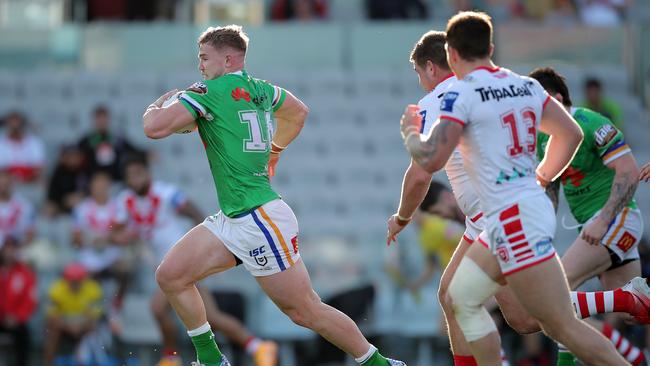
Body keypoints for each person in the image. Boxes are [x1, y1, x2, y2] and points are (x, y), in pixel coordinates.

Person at [142, 25, 406, 366]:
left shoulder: (210, 89)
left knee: (304, 310)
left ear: (228, 58)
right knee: (171, 275)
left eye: (204, 58)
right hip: (235, 217)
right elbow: (299, 111)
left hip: (258, 218)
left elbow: (154, 128)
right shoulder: (262, 90)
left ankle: (379, 364)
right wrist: (276, 149)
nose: (200, 66)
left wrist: (155, 105)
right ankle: (211, 360)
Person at [398, 11, 627, 365]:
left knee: (557, 324)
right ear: (490, 47)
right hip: (512, 212)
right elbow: (571, 134)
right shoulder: (525, 85)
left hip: (511, 216)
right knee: (461, 298)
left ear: (453, 55)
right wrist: (540, 178)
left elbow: (429, 161)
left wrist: (411, 133)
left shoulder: (461, 93)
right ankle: (625, 301)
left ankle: (626, 311)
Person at [114, 157, 279, 366]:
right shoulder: (126, 201)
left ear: (148, 173)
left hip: (183, 264)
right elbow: (115, 232)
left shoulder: (165, 193)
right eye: (130, 176)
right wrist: (119, 237)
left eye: (138, 173)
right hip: (168, 268)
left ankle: (171, 358)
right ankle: (258, 347)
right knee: (211, 316)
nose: (135, 180)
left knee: (157, 308)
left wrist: (199, 250)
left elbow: (194, 212)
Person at [71, 171, 136, 320]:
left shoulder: (119, 207)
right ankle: (93, 309)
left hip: (113, 252)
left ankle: (116, 303)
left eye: (103, 185)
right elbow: (76, 238)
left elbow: (128, 234)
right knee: (86, 273)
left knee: (125, 268)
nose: (100, 189)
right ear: (91, 187)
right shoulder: (82, 208)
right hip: (90, 253)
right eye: (96, 185)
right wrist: (101, 239)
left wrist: (103, 239)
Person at [44, 262, 103, 366]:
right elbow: (52, 316)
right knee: (52, 332)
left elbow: (95, 316)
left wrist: (80, 326)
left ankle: (93, 362)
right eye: (72, 281)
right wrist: (68, 326)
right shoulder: (56, 290)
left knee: (93, 330)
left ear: (83, 280)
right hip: (64, 324)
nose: (75, 285)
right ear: (66, 280)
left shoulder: (93, 289)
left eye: (78, 282)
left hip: (84, 323)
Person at [77, 105, 142, 182]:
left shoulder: (117, 138)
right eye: (99, 119)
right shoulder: (87, 140)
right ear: (94, 120)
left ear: (108, 119)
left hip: (115, 180)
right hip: (94, 182)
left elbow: (132, 149)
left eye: (104, 118)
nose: (102, 122)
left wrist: (146, 154)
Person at [0, 234, 37, 366]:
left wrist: (18, 317)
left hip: (15, 321)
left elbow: (30, 300)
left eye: (13, 248)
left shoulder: (25, 273)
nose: (9, 252)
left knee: (23, 336)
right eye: (7, 247)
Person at [0, 111, 45, 183]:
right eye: (12, 126)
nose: (15, 129)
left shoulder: (34, 142)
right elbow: (2, 168)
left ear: (22, 125)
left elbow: (38, 167)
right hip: (6, 182)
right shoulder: (1, 142)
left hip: (30, 181)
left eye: (17, 126)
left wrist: (26, 180)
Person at [46, 144, 89, 216]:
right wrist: (64, 201)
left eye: (75, 155)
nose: (73, 158)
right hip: (62, 207)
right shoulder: (59, 171)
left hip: (83, 206)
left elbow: (90, 191)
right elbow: (53, 195)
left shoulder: (85, 170)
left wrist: (80, 196)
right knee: (48, 210)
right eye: (70, 155)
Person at [0, 168, 35, 244]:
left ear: (11, 181)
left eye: (5, 180)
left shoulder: (24, 205)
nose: (2, 183)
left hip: (15, 246)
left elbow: (30, 233)